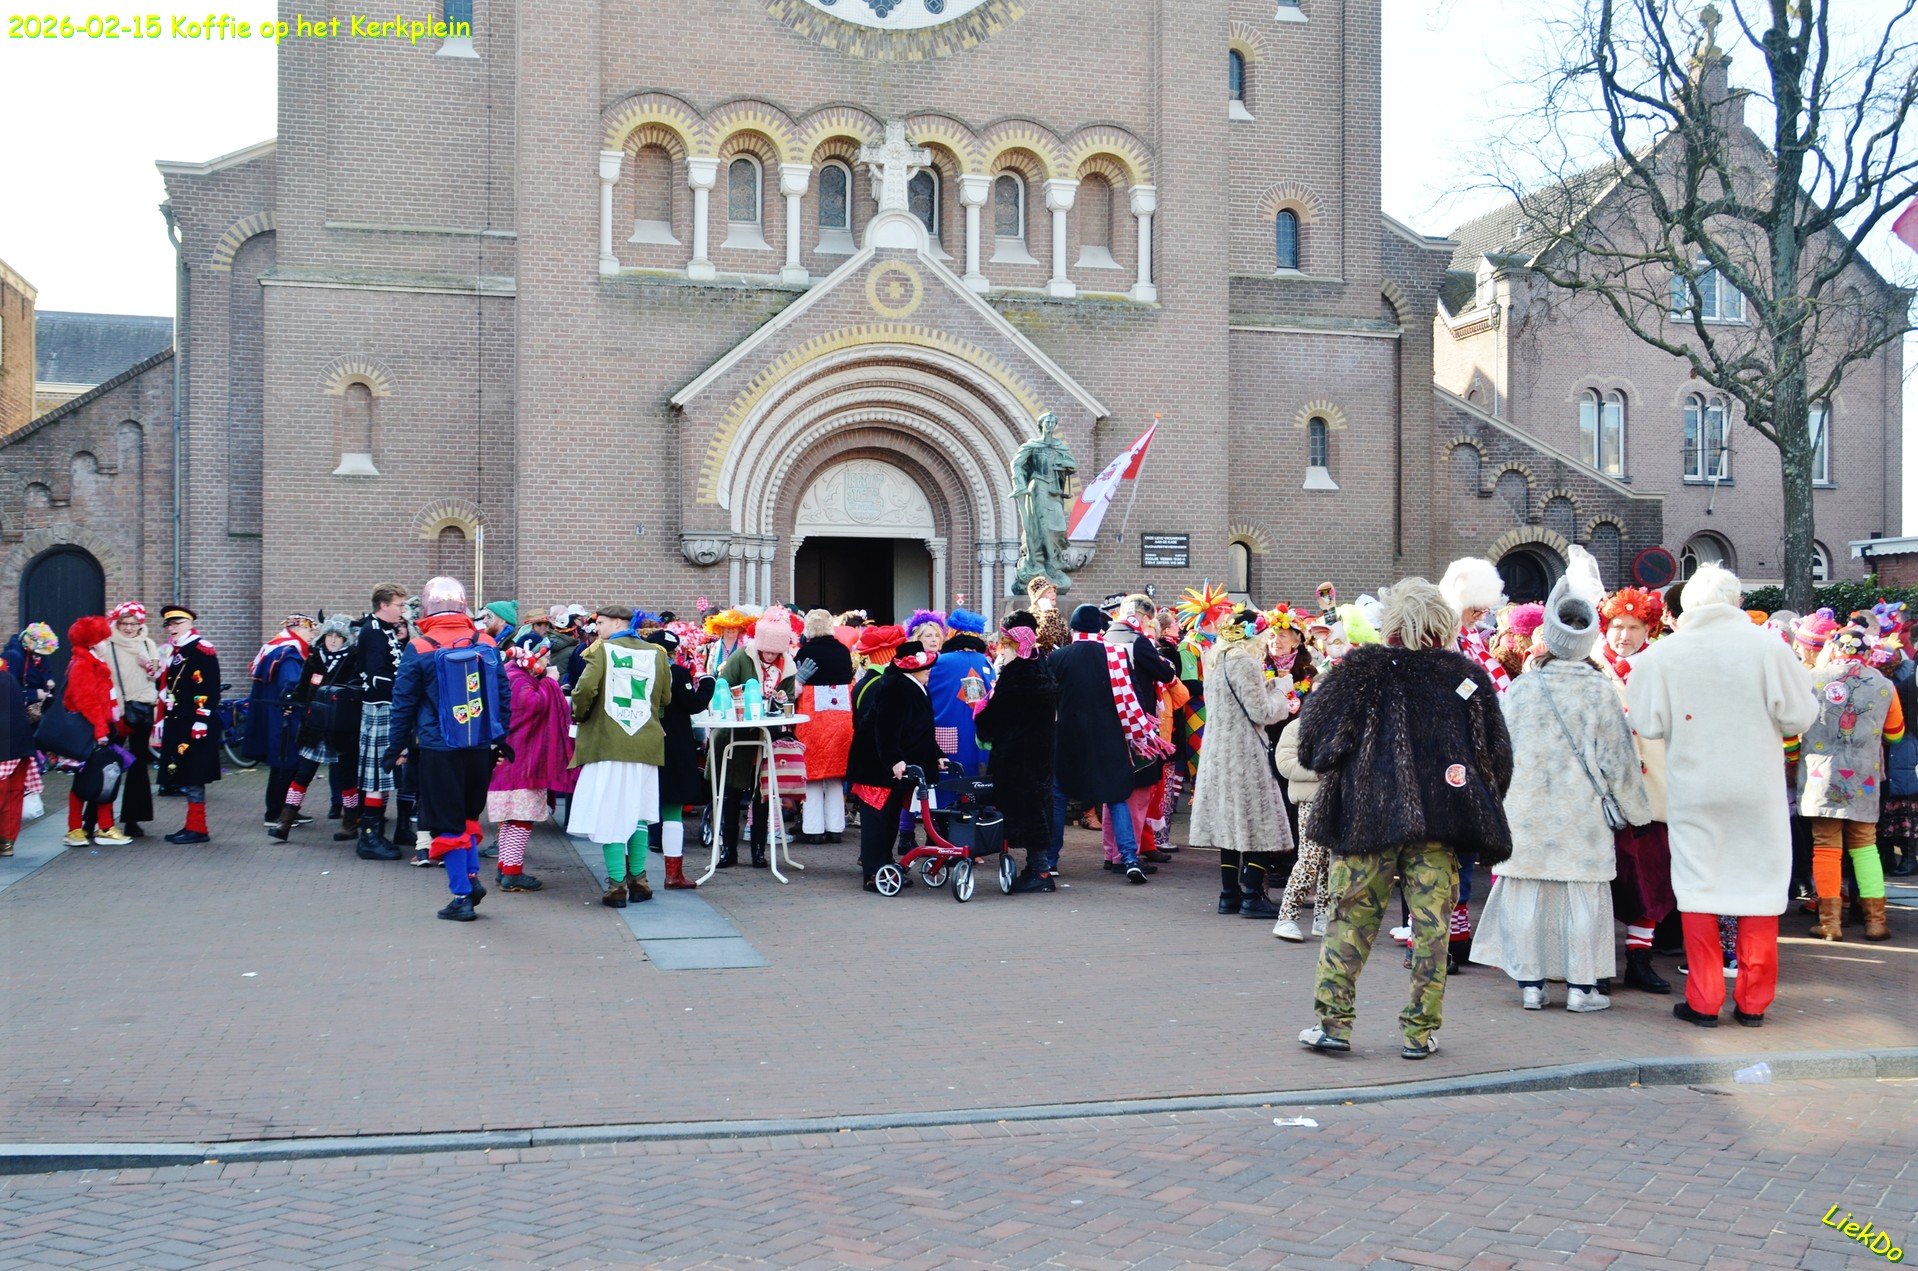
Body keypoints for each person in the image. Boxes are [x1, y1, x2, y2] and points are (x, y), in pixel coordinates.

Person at [1296, 577, 1514, 1059]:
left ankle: (1334, 1025)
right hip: (1440, 828)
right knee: (1432, 930)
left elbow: (1314, 745)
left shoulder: (1362, 671)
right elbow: (1496, 761)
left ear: (1392, 621)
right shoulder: (1467, 677)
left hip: (1364, 823)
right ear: (1443, 622)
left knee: (1349, 922)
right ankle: (1419, 1033)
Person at [1626, 565, 1819, 1027]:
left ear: (1687, 605)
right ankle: (1753, 1001)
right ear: (1734, 602)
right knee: (1760, 886)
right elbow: (1799, 716)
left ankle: (1704, 998)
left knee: (1699, 888)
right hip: (1758, 788)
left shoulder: (1662, 655)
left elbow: (1646, 723)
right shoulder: (1770, 649)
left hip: (1695, 787)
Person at [1471, 583, 1653, 1011]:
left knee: (1526, 898)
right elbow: (1619, 761)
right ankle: (1581, 988)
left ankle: (1531, 985)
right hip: (1581, 816)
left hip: (1527, 812)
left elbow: (1496, 754)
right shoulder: (1600, 691)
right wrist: (1637, 812)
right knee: (1583, 902)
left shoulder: (1521, 689)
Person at [384, 577, 512, 922]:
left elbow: (403, 704)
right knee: (468, 814)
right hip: (480, 744)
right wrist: (502, 739)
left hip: (439, 746)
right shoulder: (484, 641)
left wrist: (394, 746)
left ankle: (461, 894)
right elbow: (502, 694)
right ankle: (471, 880)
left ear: (426, 608)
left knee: (447, 820)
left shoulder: (421, 646)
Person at [1595, 585, 1679, 993]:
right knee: (1599, 877)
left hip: (1652, 790)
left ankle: (1640, 958)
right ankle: (1593, 960)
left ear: (1648, 629)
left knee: (1648, 876)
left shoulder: (1663, 667)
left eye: (1633, 626)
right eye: (1616, 626)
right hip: (1600, 794)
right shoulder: (1589, 666)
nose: (1623, 635)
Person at [1049, 602, 1168, 884]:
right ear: (1100, 628)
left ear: (1072, 628)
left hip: (1068, 736)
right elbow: (1132, 694)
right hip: (1109, 735)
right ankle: (1128, 858)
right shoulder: (1116, 655)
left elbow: (1049, 698)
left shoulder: (1058, 658)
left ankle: (1051, 860)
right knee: (1116, 797)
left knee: (1058, 796)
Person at [1188, 606, 1295, 917]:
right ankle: (1252, 896)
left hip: (1217, 751)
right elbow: (1261, 713)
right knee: (1260, 821)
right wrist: (1284, 699)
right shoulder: (1245, 662)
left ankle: (1228, 895)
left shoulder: (1216, 660)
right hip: (1245, 752)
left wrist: (1271, 688)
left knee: (1229, 823)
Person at [1798, 625, 1901, 942]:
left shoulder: (1812, 679)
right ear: (1868, 652)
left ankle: (1830, 924)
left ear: (1833, 648)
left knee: (1826, 849)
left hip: (1820, 776)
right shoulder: (1885, 686)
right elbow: (1895, 732)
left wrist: (1792, 759)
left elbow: (1793, 727)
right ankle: (1876, 922)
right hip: (1864, 777)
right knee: (1865, 847)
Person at [567, 607, 672, 907]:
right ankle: (639, 882)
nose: (597, 628)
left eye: (600, 623)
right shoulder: (657, 653)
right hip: (645, 745)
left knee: (611, 813)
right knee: (638, 813)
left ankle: (616, 887)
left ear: (617, 623)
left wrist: (581, 714)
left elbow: (584, 690)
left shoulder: (602, 651)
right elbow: (665, 697)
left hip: (609, 744)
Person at [847, 639, 946, 891]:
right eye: (926, 668)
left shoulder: (912, 685)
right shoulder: (896, 688)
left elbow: (919, 729)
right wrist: (894, 759)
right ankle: (873, 872)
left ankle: (885, 866)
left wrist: (936, 753)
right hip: (877, 767)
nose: (929, 671)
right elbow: (886, 729)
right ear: (911, 668)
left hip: (891, 768)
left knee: (889, 819)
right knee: (877, 821)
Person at [975, 615, 1060, 892]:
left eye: (1006, 644)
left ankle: (1040, 872)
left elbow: (993, 725)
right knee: (1039, 808)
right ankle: (1039, 868)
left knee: (1026, 812)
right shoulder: (1042, 667)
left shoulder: (1015, 679)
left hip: (1016, 759)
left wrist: (980, 710)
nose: (1002, 650)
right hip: (1040, 756)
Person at [486, 640, 572, 892]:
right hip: (522, 762)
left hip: (516, 760)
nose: (548, 665)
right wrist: (550, 682)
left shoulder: (513, 675)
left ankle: (505, 867)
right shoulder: (518, 679)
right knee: (521, 817)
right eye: (545, 660)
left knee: (511, 818)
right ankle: (512, 872)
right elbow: (532, 705)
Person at [715, 608, 798, 868]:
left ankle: (759, 853)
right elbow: (722, 685)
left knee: (762, 794)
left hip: (766, 737)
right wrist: (745, 697)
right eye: (767, 652)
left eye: (776, 653)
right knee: (730, 793)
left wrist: (783, 698)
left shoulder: (787, 666)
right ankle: (728, 851)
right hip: (735, 736)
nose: (771, 657)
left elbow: (789, 699)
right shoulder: (740, 658)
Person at [269, 616, 363, 842]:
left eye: (338, 636)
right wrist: (292, 702)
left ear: (345, 639)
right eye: (329, 635)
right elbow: (303, 689)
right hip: (315, 727)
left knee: (346, 779)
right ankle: (284, 823)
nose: (333, 640)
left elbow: (357, 691)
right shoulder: (314, 657)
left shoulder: (353, 659)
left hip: (341, 729)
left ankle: (350, 824)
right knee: (303, 773)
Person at [644, 626, 713, 889]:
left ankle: (635, 874)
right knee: (672, 806)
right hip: (673, 745)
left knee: (644, 806)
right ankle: (674, 874)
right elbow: (694, 704)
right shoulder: (676, 672)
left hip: (644, 744)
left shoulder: (640, 671)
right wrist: (708, 682)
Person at [352, 585, 411, 861]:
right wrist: (408, 688)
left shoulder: (385, 630)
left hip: (390, 706)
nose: (402, 610)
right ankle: (369, 836)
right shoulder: (373, 632)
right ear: (383, 605)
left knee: (386, 773)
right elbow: (376, 675)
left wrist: (403, 640)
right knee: (377, 772)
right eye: (399, 605)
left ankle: (377, 833)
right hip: (380, 706)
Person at [61, 615, 131, 847]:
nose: (106, 643)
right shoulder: (83, 664)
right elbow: (85, 701)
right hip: (91, 731)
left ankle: (105, 827)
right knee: (85, 779)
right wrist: (101, 730)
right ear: (93, 642)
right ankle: (75, 829)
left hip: (101, 729)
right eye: (103, 639)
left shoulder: (93, 662)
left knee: (104, 777)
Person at [245, 614, 317, 827]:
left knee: (283, 763)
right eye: (310, 630)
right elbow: (292, 685)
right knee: (286, 763)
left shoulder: (277, 648)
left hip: (277, 716)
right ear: (299, 630)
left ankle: (284, 810)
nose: (313, 634)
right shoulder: (290, 653)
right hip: (286, 719)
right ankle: (277, 812)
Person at [158, 606, 222, 843]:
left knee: (194, 774)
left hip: (195, 723)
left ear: (188, 623)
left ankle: (198, 827)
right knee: (185, 774)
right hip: (179, 722)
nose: (171, 628)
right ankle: (192, 825)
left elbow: (207, 688)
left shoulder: (200, 650)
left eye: (176, 624)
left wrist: (202, 720)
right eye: (168, 625)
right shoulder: (178, 650)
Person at [103, 602, 164, 839]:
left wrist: (150, 667)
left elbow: (156, 675)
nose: (129, 629)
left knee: (138, 764)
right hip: (116, 711)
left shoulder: (148, 644)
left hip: (141, 708)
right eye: (124, 624)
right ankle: (100, 819)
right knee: (109, 764)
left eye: (134, 624)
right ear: (117, 624)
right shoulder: (108, 645)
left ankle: (133, 819)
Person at [793, 609, 854, 845]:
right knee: (836, 777)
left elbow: (795, 688)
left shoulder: (805, 651)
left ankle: (813, 829)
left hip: (812, 720)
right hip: (841, 719)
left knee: (813, 776)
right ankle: (836, 827)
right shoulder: (842, 651)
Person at [927, 609, 996, 777]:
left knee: (947, 786)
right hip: (978, 736)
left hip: (944, 733)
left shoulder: (939, 662)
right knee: (975, 784)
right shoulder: (986, 663)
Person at [0, 659, 34, 857]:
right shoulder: (8, 677)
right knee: (13, 793)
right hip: (20, 744)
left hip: (5, 746)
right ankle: (7, 842)